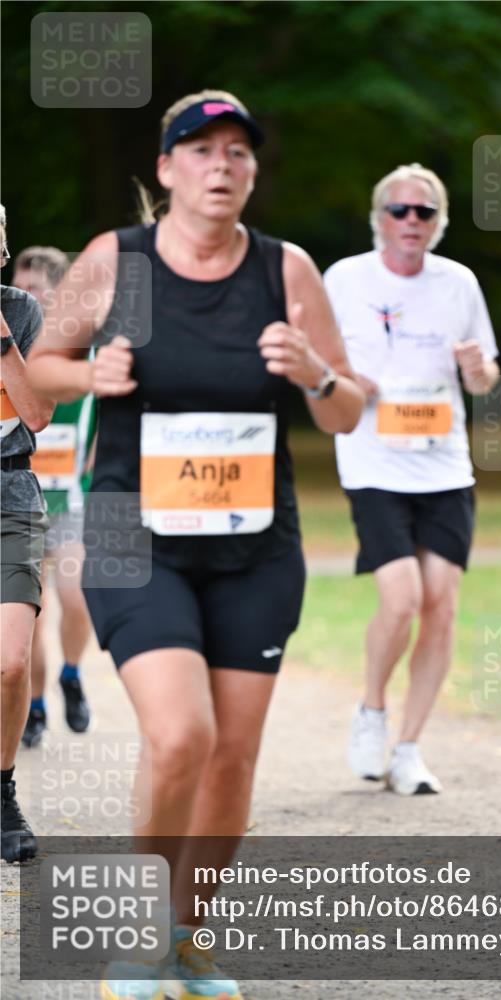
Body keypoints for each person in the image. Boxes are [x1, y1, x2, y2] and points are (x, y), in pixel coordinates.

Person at [26, 90, 363, 1000]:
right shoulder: (117, 261)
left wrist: (317, 373)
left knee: (232, 757)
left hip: (255, 545)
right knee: (182, 736)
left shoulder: (285, 269)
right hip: (136, 535)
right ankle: (138, 939)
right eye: (201, 150)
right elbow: (34, 383)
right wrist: (86, 370)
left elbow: (346, 410)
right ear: (167, 168)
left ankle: (187, 940)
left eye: (238, 153)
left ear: (251, 171)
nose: (222, 166)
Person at [324, 164, 499, 796]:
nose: (411, 222)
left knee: (441, 605)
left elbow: (483, 378)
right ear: (378, 219)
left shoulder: (459, 283)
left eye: (423, 213)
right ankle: (371, 708)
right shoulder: (344, 278)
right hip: (372, 460)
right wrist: (347, 380)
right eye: (399, 210)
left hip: (444, 463)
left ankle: (409, 749)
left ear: (439, 222)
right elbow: (316, 362)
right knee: (400, 598)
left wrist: (480, 368)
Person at [13, 246, 95, 747]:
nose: (27, 298)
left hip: (70, 501)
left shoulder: (82, 346)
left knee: (77, 598)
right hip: (20, 498)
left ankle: (71, 674)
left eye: (39, 289)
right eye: (21, 288)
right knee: (28, 616)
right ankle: (37, 706)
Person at [0, 207, 55, 863]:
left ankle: (3, 790)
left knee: (10, 663)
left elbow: (38, 413)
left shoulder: (24, 312)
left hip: (9, 492)